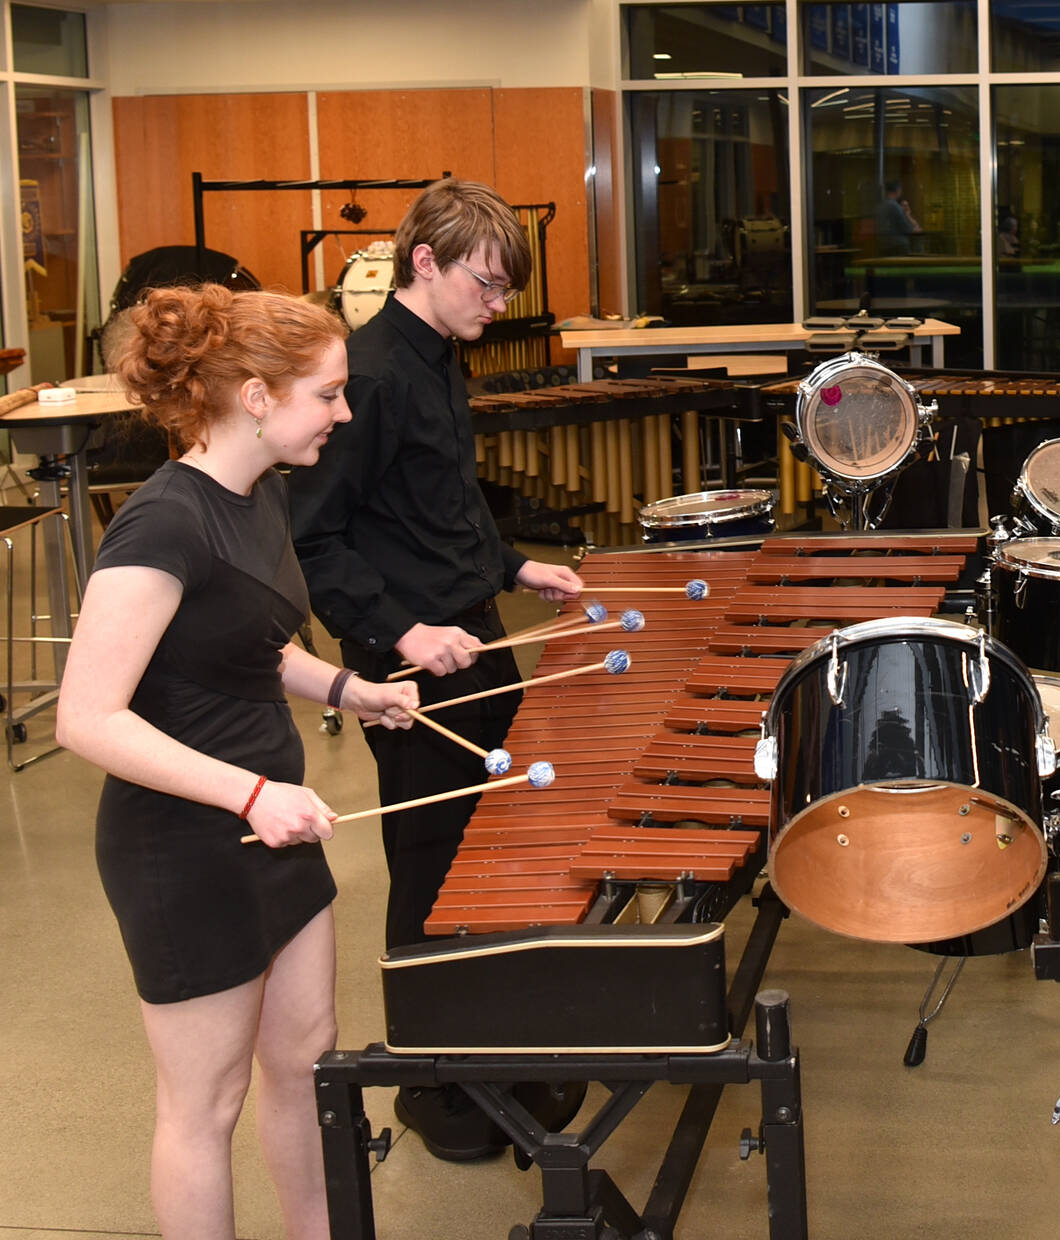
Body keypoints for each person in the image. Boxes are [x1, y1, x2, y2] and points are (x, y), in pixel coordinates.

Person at [56, 284, 419, 1237]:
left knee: (306, 1064)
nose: (343, 414)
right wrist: (251, 792)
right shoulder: (162, 523)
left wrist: (349, 690)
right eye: (327, 395)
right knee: (203, 1107)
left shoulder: (261, 493)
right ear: (255, 396)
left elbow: (254, 640)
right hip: (184, 842)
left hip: (274, 821)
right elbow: (86, 717)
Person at [289, 177, 585, 1159]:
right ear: (425, 260)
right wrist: (401, 636)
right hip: (409, 669)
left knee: (486, 849)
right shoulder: (368, 376)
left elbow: (438, 506)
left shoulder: (440, 359)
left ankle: (490, 1049)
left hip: (471, 634)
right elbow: (316, 537)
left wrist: (512, 565)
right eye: (486, 284)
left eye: (503, 289)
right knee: (428, 864)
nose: (496, 306)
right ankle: (435, 1085)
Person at [877, 179, 920, 255]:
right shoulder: (895, 206)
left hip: (883, 244)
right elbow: (905, 227)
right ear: (898, 190)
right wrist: (914, 229)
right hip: (897, 244)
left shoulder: (881, 206)